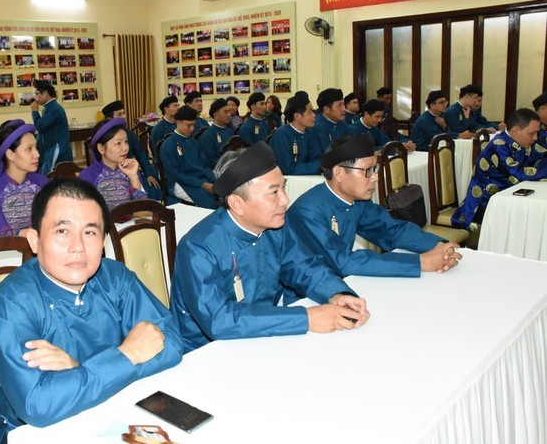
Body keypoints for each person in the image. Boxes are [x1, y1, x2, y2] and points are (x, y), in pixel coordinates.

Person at [0, 179, 183, 443]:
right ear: (34, 240)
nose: (78, 246)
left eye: (90, 232)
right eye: (62, 231)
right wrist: (127, 354)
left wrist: (80, 369)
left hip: (117, 412)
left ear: (104, 240)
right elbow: (38, 405)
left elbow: (173, 343)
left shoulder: (116, 278)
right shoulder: (13, 301)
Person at [170, 142, 370, 353]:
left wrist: (337, 293)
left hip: (264, 333)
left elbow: (303, 267)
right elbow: (220, 320)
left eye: (283, 187)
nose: (285, 199)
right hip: (208, 352)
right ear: (237, 203)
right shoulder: (198, 248)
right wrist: (306, 318)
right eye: (274, 192)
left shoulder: (274, 227)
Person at [288, 134, 461, 278]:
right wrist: (420, 262)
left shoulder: (357, 201)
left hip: (342, 282)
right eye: (368, 171)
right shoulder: (308, 211)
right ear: (339, 173)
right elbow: (344, 262)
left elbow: (391, 230)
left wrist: (439, 245)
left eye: (375, 169)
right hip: (305, 297)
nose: (375, 178)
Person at [452, 108, 547, 229]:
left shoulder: (521, 142)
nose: (535, 138)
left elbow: (539, 157)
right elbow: (517, 173)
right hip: (485, 204)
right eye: (532, 133)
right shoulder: (499, 145)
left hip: (507, 198)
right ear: (516, 130)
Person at [0, 122, 48, 237]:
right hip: (9, 252)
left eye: (36, 148)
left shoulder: (42, 182)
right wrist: (26, 234)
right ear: (10, 154)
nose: (37, 154)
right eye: (29, 149)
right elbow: (1, 233)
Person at [79, 118, 148, 210]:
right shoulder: (88, 175)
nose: (125, 148)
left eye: (126, 142)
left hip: (132, 223)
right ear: (101, 149)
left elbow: (144, 210)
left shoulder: (130, 170)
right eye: (118, 143)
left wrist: (133, 176)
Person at [101, 100, 162, 200]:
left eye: (124, 113)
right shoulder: (103, 137)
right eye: (120, 114)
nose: (124, 116)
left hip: (130, 170)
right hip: (110, 174)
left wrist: (149, 174)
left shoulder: (128, 133)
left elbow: (141, 154)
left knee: (154, 189)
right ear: (109, 118)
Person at [158, 106, 217, 208]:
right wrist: (202, 184)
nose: (192, 129)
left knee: (222, 196)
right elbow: (175, 174)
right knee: (209, 202)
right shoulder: (168, 145)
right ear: (178, 122)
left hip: (199, 179)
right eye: (188, 125)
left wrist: (214, 180)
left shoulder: (194, 142)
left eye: (194, 125)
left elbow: (204, 165)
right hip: (180, 183)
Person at [269, 91, 321, 175]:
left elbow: (316, 159)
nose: (314, 115)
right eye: (310, 111)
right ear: (297, 116)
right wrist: (317, 167)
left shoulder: (309, 132)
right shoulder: (282, 134)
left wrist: (318, 166)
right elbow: (288, 168)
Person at [31, 80, 71, 174]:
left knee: (48, 176)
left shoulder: (54, 109)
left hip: (55, 149)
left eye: (37, 94)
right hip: (49, 148)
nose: (35, 97)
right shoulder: (48, 107)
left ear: (45, 93)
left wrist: (34, 112)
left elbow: (41, 127)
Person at [198, 97, 233, 169]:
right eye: (225, 112)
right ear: (215, 115)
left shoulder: (230, 132)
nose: (229, 114)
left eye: (229, 111)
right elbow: (209, 162)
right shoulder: (208, 136)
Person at [313, 88, 349, 153]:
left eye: (343, 104)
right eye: (339, 105)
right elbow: (326, 154)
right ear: (326, 109)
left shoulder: (343, 123)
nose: (344, 109)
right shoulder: (317, 127)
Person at [150, 95, 179, 160]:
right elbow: (157, 152)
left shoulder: (179, 124)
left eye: (178, 105)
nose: (178, 108)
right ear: (166, 109)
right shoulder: (158, 129)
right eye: (175, 106)